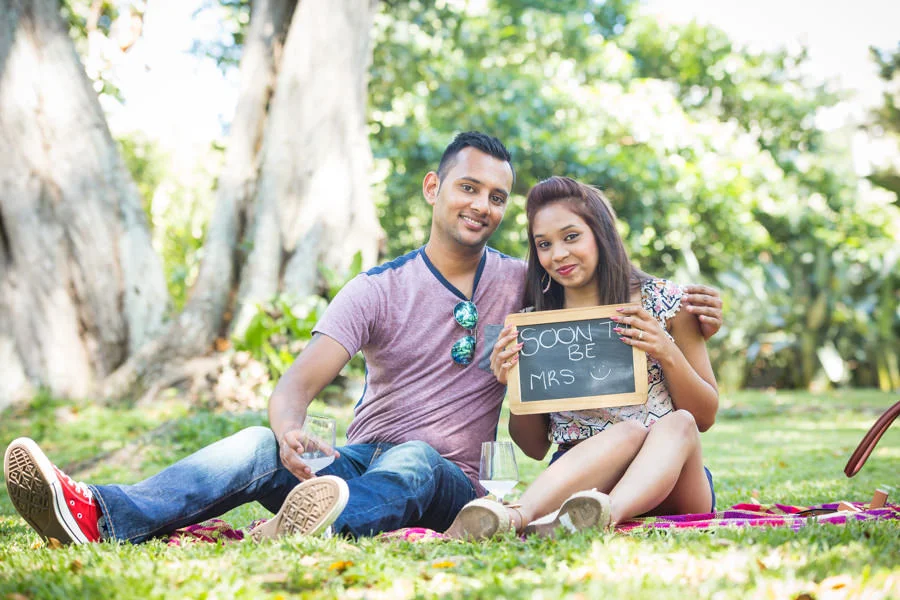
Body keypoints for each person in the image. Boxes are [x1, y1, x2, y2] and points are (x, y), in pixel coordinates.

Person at [3, 134, 722, 546]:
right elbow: (296, 385)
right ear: (433, 189)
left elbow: (618, 313)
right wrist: (287, 431)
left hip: (437, 472)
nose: (483, 206)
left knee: (411, 457)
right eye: (469, 188)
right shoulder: (377, 286)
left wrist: (685, 321)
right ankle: (102, 512)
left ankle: (315, 524)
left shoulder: (526, 285)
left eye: (497, 197)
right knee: (256, 444)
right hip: (355, 459)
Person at [446, 176, 719, 540]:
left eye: (571, 236)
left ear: (600, 234)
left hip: (672, 478)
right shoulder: (533, 325)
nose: (558, 255)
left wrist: (665, 350)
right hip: (583, 477)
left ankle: (604, 515)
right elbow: (534, 447)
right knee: (627, 433)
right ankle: (516, 517)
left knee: (678, 422)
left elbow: (704, 417)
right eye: (544, 244)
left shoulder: (667, 301)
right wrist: (514, 385)